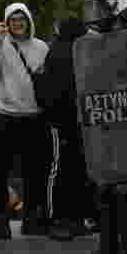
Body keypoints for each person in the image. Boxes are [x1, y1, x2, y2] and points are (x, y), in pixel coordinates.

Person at [80, 0, 127, 254]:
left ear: (117, 6)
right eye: (91, 5)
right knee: (104, 188)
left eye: (101, 5)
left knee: (125, 190)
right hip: (101, 120)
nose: (95, 12)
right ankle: (107, 250)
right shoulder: (92, 40)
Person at [0, 2, 50, 240]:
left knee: (35, 171)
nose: (17, 23)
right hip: (4, 116)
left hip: (33, 117)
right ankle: (2, 218)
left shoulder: (41, 47)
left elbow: (49, 78)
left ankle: (31, 218)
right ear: (6, 23)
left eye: (21, 19)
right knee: (0, 171)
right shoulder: (0, 45)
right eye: (13, 19)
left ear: (28, 20)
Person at [37, 16, 92, 242]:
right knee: (72, 169)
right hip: (74, 121)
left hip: (59, 122)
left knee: (60, 168)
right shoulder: (76, 52)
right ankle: (72, 218)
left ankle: (59, 219)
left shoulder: (55, 51)